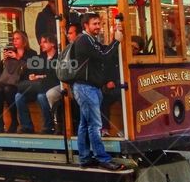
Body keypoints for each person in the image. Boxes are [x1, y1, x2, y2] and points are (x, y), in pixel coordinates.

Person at [69, 13, 125, 171]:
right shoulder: (84, 40)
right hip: (86, 88)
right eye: (95, 24)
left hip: (89, 88)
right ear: (86, 25)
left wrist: (115, 35)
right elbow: (104, 56)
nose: (98, 26)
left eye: (99, 23)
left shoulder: (91, 40)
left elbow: (103, 51)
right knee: (95, 125)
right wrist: (116, 41)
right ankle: (102, 158)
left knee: (85, 124)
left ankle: (85, 158)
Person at [16, 34, 61, 134]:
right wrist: (32, 75)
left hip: (50, 86)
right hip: (37, 87)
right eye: (41, 42)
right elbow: (32, 70)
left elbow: (55, 76)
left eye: (44, 42)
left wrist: (40, 76)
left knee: (41, 96)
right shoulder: (40, 57)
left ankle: (48, 126)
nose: (41, 44)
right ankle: (27, 126)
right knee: (18, 96)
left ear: (53, 44)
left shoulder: (58, 57)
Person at [0, 31, 35, 133]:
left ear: (24, 41)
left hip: (22, 82)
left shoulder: (31, 53)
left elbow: (32, 68)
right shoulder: (10, 52)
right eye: (13, 39)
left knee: (8, 89)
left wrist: (18, 57)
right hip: (8, 81)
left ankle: (14, 121)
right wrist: (3, 61)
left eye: (17, 38)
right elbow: (3, 72)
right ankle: (0, 123)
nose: (14, 41)